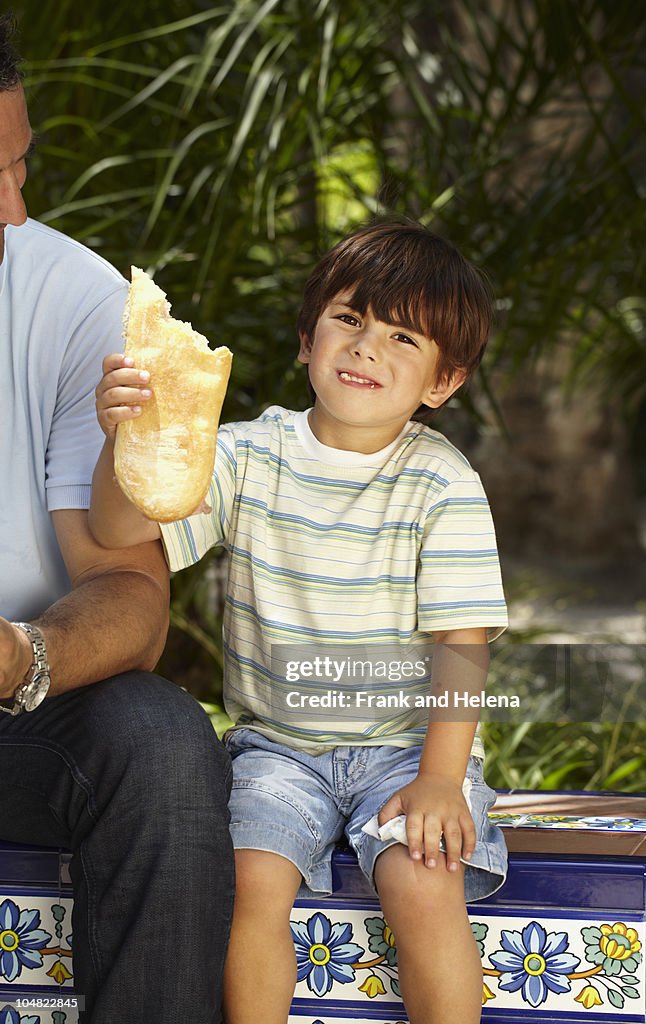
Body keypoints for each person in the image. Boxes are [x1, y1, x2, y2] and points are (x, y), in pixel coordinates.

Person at [91, 220, 509, 1024]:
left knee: (425, 886)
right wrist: (126, 441)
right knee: (248, 882)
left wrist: (437, 780)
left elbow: (461, 643)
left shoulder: (441, 483)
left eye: (401, 336)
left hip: (405, 749)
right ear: (305, 337)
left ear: (442, 382)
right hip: (278, 748)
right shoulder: (246, 455)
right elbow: (121, 530)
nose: (365, 348)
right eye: (349, 319)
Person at [0, 14, 233, 1024]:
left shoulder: (76, 301)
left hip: (23, 718)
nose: (10, 212)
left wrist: (22, 655)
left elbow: (133, 594)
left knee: (164, 740)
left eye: (17, 168)